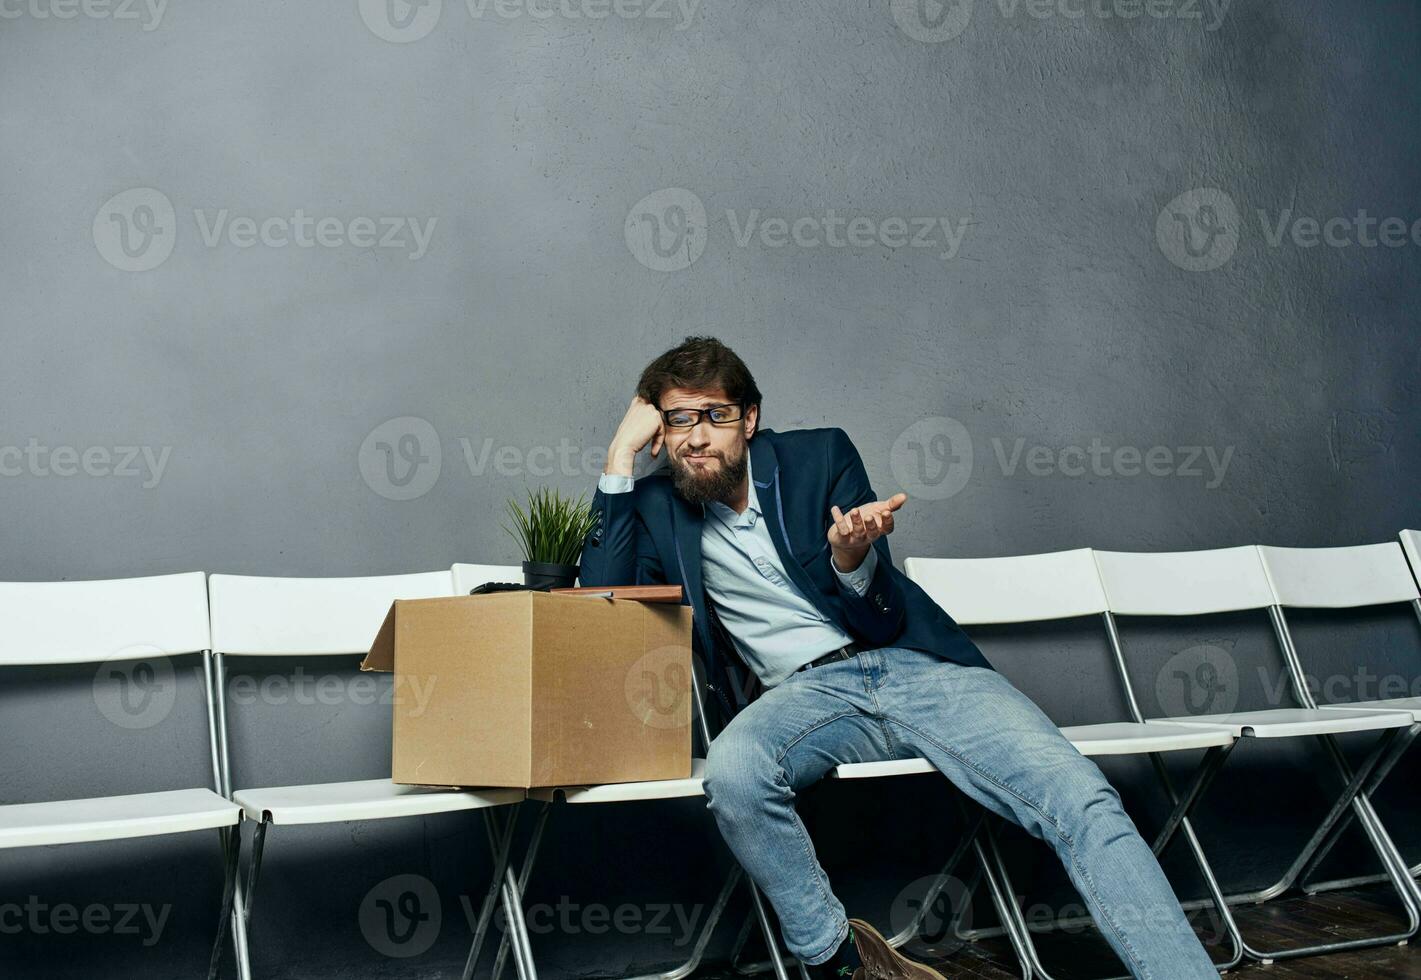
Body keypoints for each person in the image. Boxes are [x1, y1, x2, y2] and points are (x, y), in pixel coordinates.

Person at [580, 336, 1218, 979]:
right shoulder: (657, 506)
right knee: (735, 772)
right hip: (803, 699)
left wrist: (850, 560)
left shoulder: (818, 455)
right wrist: (618, 456)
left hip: (912, 666)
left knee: (1082, 799)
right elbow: (599, 604)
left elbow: (879, 610)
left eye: (714, 415)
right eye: (678, 418)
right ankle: (844, 964)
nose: (696, 437)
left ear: (748, 418)